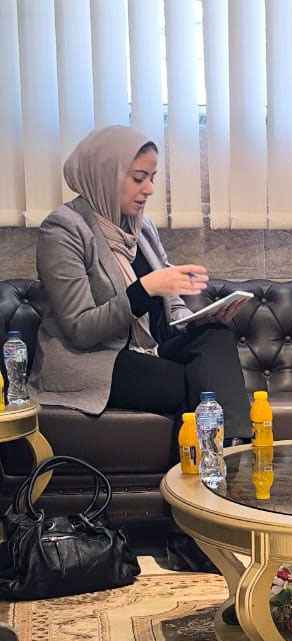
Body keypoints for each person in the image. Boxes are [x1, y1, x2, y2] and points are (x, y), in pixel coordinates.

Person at [30, 125, 250, 441]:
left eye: (152, 178)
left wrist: (199, 319)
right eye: (138, 178)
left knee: (215, 336)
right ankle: (220, 459)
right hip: (92, 359)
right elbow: (81, 329)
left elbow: (172, 305)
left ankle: (231, 451)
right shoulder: (63, 229)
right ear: (105, 175)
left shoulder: (141, 228)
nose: (148, 189)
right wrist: (144, 289)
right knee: (190, 382)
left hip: (147, 350)